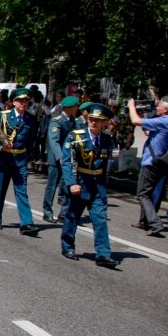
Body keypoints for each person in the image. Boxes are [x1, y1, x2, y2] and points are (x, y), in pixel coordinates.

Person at [59, 103, 119, 267]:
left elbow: (106, 163)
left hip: (97, 185)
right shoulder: (76, 136)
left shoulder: (106, 139)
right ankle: (67, 246)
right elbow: (68, 161)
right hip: (81, 182)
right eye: (92, 119)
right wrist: (72, 183)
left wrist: (104, 183)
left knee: (100, 219)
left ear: (105, 122)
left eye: (98, 120)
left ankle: (103, 254)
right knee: (73, 216)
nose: (94, 123)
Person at [0, 88, 40, 234]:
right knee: (0, 190)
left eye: (26, 101)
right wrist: (0, 146)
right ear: (14, 102)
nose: (23, 103)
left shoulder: (31, 119)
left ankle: (26, 223)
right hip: (4, 158)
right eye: (21, 101)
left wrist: (29, 155)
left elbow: (31, 140)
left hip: (20, 160)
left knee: (22, 190)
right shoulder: (3, 116)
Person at [128, 97, 168, 236]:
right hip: (157, 163)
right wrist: (144, 116)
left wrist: (132, 107)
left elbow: (135, 121)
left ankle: (155, 223)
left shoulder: (164, 121)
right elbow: (148, 132)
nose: (157, 107)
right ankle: (144, 221)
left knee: (142, 194)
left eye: (160, 105)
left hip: (150, 163)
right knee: (147, 193)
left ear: (166, 109)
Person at [42, 96, 80, 223]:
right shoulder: (57, 121)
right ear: (69, 107)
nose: (77, 108)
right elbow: (54, 141)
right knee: (52, 186)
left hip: (68, 159)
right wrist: (60, 157)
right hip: (56, 159)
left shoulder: (74, 121)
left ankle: (63, 214)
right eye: (75, 106)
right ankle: (47, 212)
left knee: (66, 186)